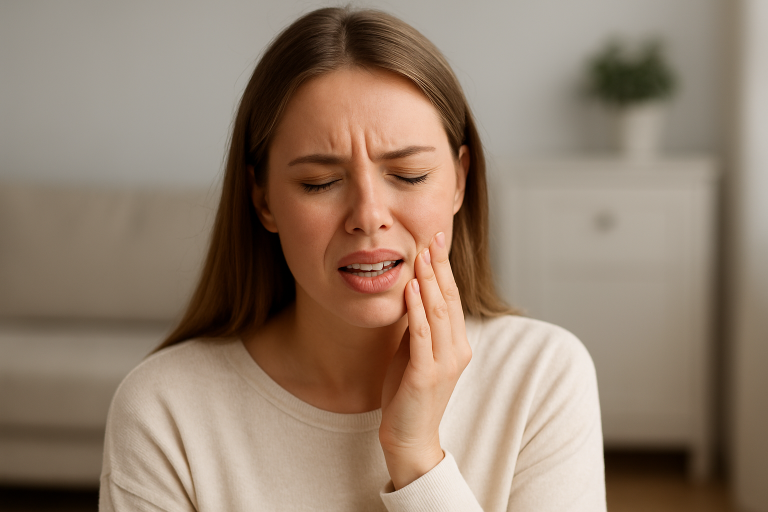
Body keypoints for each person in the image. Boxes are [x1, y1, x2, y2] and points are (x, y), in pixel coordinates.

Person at [99, 7, 606, 511]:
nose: (368, 217)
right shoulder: (163, 410)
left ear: (460, 180)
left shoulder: (544, 378)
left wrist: (417, 459)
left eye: (408, 174)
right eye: (319, 183)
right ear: (263, 200)